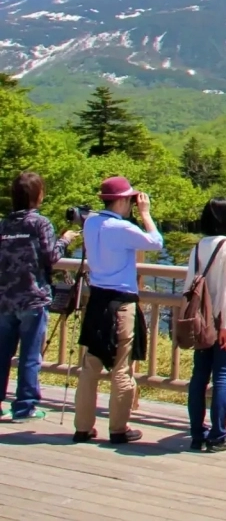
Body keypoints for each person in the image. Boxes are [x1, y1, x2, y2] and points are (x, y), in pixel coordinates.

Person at [73, 176, 163, 444]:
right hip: (121, 304)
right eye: (131, 199)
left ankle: (82, 427)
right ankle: (118, 429)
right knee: (121, 368)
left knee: (91, 366)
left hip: (97, 300)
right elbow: (155, 242)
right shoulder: (121, 228)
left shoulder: (91, 223)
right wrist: (146, 215)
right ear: (123, 200)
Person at [0, 172, 78, 421]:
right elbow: (51, 256)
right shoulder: (39, 223)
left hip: (4, 299)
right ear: (38, 195)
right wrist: (65, 240)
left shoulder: (4, 224)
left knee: (2, 353)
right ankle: (24, 407)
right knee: (30, 356)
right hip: (33, 298)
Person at [185, 198, 226, 453]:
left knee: (199, 376)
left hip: (201, 320)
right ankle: (218, 435)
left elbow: (189, 286)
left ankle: (197, 435)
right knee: (221, 377)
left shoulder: (198, 247)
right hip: (223, 319)